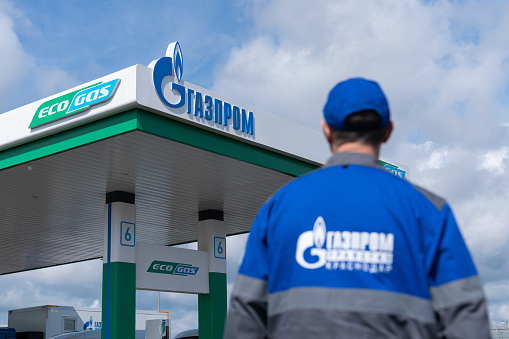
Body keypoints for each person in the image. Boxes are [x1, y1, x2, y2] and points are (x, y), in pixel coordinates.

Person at [223, 78, 490, 339]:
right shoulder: (430, 211)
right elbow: (466, 319)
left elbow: (245, 317)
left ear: (326, 130)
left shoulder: (277, 208)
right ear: (388, 131)